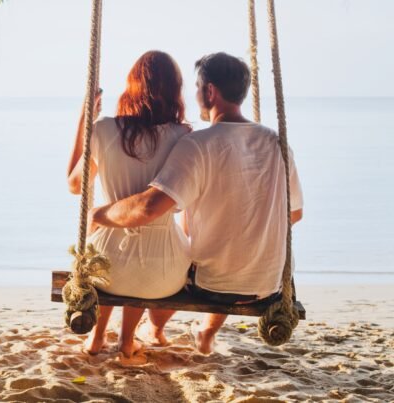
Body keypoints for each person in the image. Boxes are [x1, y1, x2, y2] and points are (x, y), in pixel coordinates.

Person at [88, 52, 304, 355]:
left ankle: (155, 329)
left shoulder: (198, 144)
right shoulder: (276, 142)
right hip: (269, 284)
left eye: (198, 86)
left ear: (210, 91)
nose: (195, 94)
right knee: (216, 254)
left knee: (183, 262)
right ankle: (201, 332)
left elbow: (148, 208)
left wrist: (100, 213)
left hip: (213, 287)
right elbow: (294, 213)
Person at [67, 51, 192, 359]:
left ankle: (96, 340)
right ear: (175, 90)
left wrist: (86, 119)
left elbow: (74, 185)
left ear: (131, 86)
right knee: (140, 266)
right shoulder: (184, 136)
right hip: (163, 275)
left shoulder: (104, 129)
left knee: (107, 260)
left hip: (108, 265)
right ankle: (126, 342)